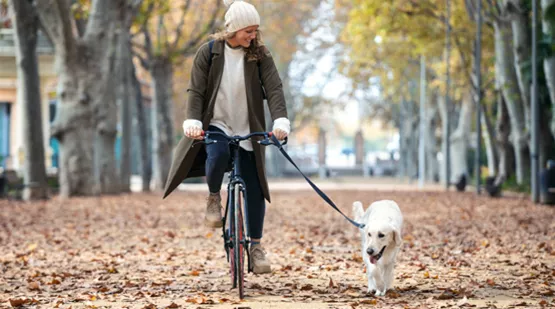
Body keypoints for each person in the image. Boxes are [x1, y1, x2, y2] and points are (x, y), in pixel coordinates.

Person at [163, 0, 290, 274]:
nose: (253, 36)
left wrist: (280, 120)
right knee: (217, 154)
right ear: (233, 28)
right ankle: (213, 198)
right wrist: (193, 121)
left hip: (249, 129)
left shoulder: (260, 56)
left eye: (256, 30)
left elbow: (275, 89)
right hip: (217, 124)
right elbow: (195, 91)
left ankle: (255, 247)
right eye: (248, 30)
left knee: (255, 187)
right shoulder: (208, 53)